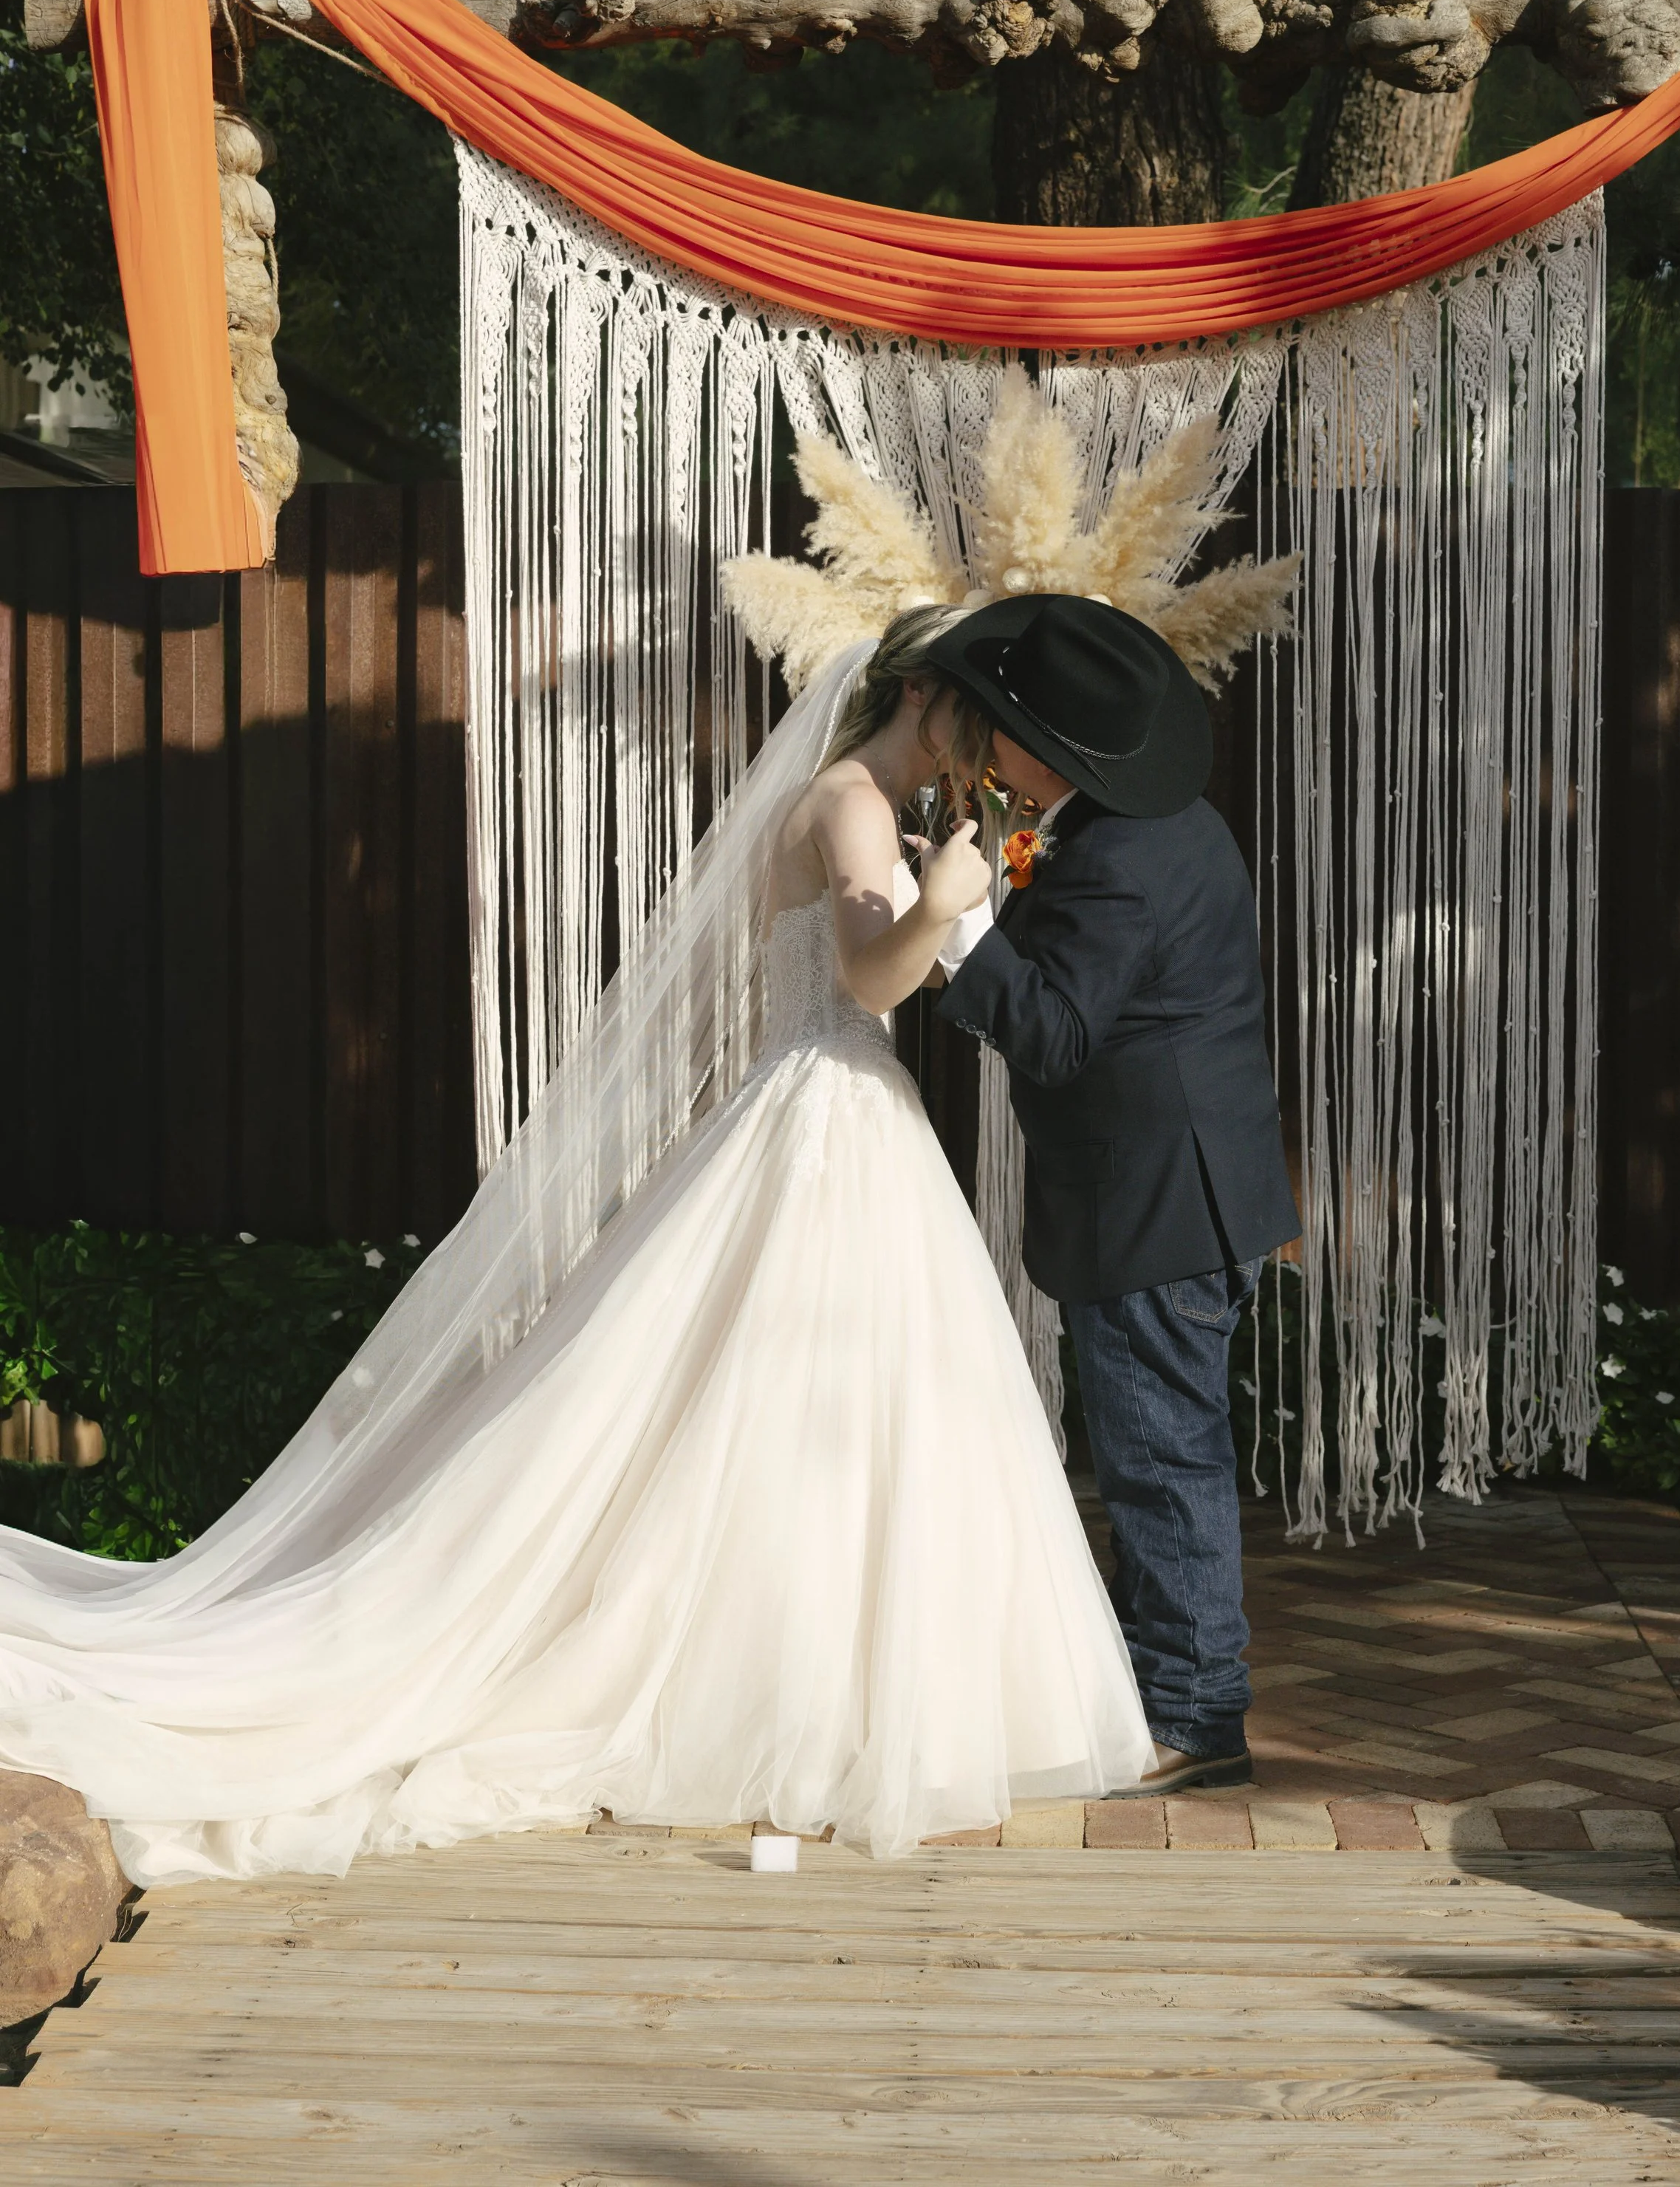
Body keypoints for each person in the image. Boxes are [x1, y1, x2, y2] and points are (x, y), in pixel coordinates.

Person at [0, 610, 1151, 1880]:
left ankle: (789, 1682)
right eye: (980, 726)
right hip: (828, 1112)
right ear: (928, 703)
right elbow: (872, 980)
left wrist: (943, 898)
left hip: (829, 1110)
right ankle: (796, 1701)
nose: (982, 759)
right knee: (797, 1410)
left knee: (788, 1415)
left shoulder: (859, 799)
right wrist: (945, 902)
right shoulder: (855, 803)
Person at [930, 593, 1300, 1796]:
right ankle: (1175, 1695)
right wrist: (996, 880)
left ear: (1050, 749)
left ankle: (1195, 1720)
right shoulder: (1140, 825)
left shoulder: (1120, 863)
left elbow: (1057, 1032)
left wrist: (960, 932)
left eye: (996, 727)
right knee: (1162, 1454)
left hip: (1160, 1207)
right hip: (1188, 1194)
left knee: (1162, 1463)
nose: (985, 745)